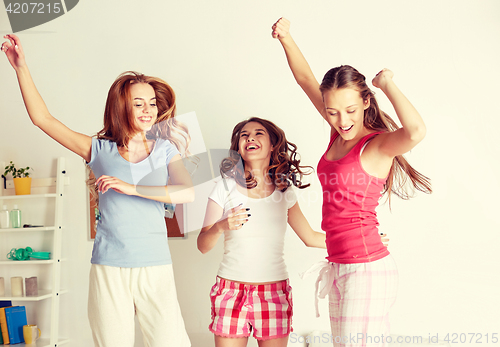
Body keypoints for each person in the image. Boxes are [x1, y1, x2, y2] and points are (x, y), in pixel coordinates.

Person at [2, 34, 193, 347]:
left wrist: (131, 188)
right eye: (138, 103)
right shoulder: (99, 150)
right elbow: (42, 119)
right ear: (121, 107)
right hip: (109, 264)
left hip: (155, 264)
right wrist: (21, 68)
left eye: (152, 103)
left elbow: (187, 192)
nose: (148, 109)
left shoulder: (165, 150)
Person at [271, 18, 432, 346]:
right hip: (339, 264)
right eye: (332, 112)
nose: (341, 120)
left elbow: (416, 131)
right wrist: (286, 38)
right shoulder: (337, 133)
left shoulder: (377, 145)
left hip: (367, 269)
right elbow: (305, 79)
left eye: (350, 110)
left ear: (366, 102)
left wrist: (387, 84)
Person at [197, 117, 390, 347]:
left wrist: (361, 239)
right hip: (230, 290)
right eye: (244, 135)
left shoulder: (284, 190)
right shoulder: (224, 186)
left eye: (259, 133)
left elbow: (310, 237)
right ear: (238, 146)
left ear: (272, 146)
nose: (250, 138)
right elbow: (203, 246)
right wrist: (221, 225)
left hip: (273, 292)